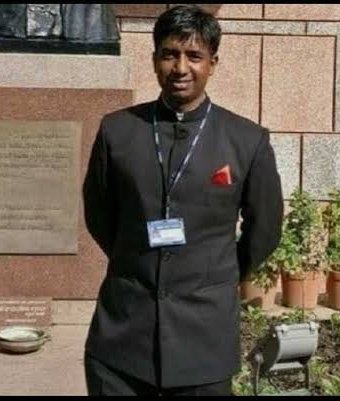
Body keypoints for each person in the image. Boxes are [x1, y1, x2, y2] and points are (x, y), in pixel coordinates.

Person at [82, 5, 283, 396]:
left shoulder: (247, 140)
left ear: (212, 63)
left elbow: (265, 229)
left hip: (204, 337)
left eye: (194, 56)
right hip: (122, 336)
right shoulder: (117, 131)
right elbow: (99, 213)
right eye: (170, 54)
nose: (180, 67)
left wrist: (216, 273)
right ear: (154, 59)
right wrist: (136, 259)